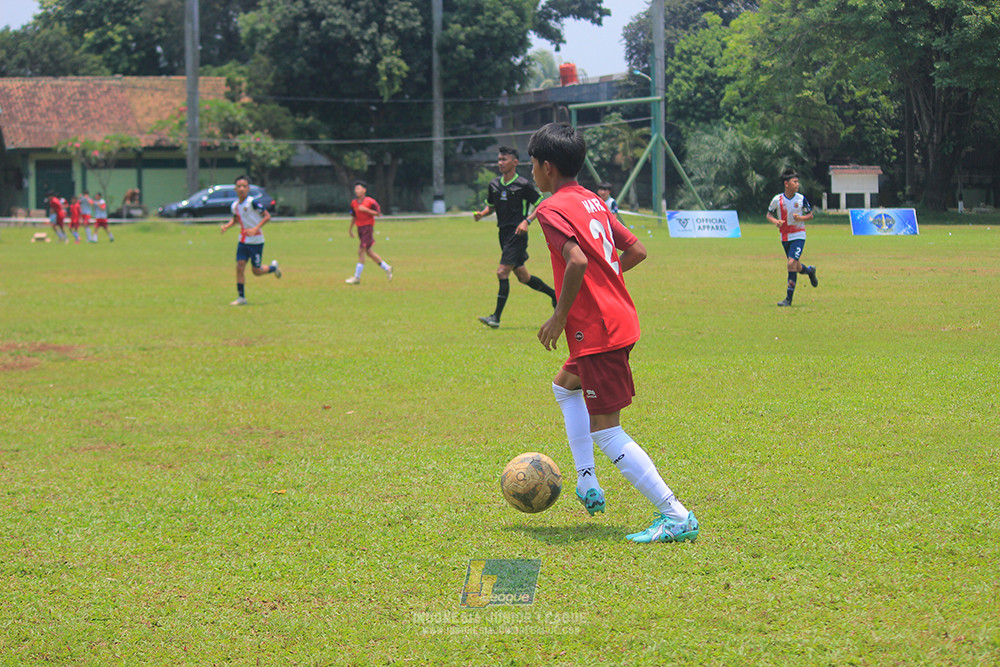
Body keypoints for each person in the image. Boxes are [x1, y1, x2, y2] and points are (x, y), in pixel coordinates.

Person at [528, 122, 699, 544]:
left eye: (532, 165)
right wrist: (607, 282)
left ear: (547, 167)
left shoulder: (550, 210)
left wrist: (558, 317)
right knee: (565, 388)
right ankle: (587, 481)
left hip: (597, 331)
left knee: (606, 429)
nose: (533, 172)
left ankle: (675, 515)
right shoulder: (593, 201)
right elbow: (636, 249)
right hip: (617, 319)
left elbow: (578, 262)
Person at [473, 146, 557, 329]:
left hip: (518, 234)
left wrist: (527, 221)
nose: (500, 163)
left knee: (502, 272)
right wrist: (482, 214)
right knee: (523, 276)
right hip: (503, 235)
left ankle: (495, 317)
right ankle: (555, 296)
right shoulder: (494, 184)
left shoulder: (524, 185)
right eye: (499, 159)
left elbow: (541, 204)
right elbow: (491, 207)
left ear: (515, 162)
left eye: (504, 159)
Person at [220, 175, 281, 305]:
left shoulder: (253, 203)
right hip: (243, 241)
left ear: (248, 188)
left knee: (256, 271)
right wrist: (227, 226)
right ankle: (241, 297)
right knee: (240, 267)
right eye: (239, 186)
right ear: (235, 189)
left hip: (256, 241)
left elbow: (267, 216)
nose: (241, 189)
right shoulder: (235, 206)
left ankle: (273, 268)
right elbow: (236, 220)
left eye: (244, 186)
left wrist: (255, 228)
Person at [766, 169, 818, 306]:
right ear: (786, 184)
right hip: (785, 236)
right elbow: (769, 215)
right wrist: (776, 222)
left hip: (799, 235)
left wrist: (801, 218)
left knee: (790, 264)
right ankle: (810, 271)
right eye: (794, 182)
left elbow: (811, 215)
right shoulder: (777, 199)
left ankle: (788, 299)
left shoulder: (801, 199)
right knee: (796, 265)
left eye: (798, 182)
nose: (797, 184)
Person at [345, 180, 392, 285]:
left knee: (361, 251)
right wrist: (350, 230)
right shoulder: (354, 203)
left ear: (364, 190)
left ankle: (357, 278)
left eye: (359, 188)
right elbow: (354, 217)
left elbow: (378, 214)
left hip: (368, 228)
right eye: (355, 189)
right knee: (369, 252)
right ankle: (387, 268)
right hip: (360, 229)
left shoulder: (370, 201)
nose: (356, 190)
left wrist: (366, 210)